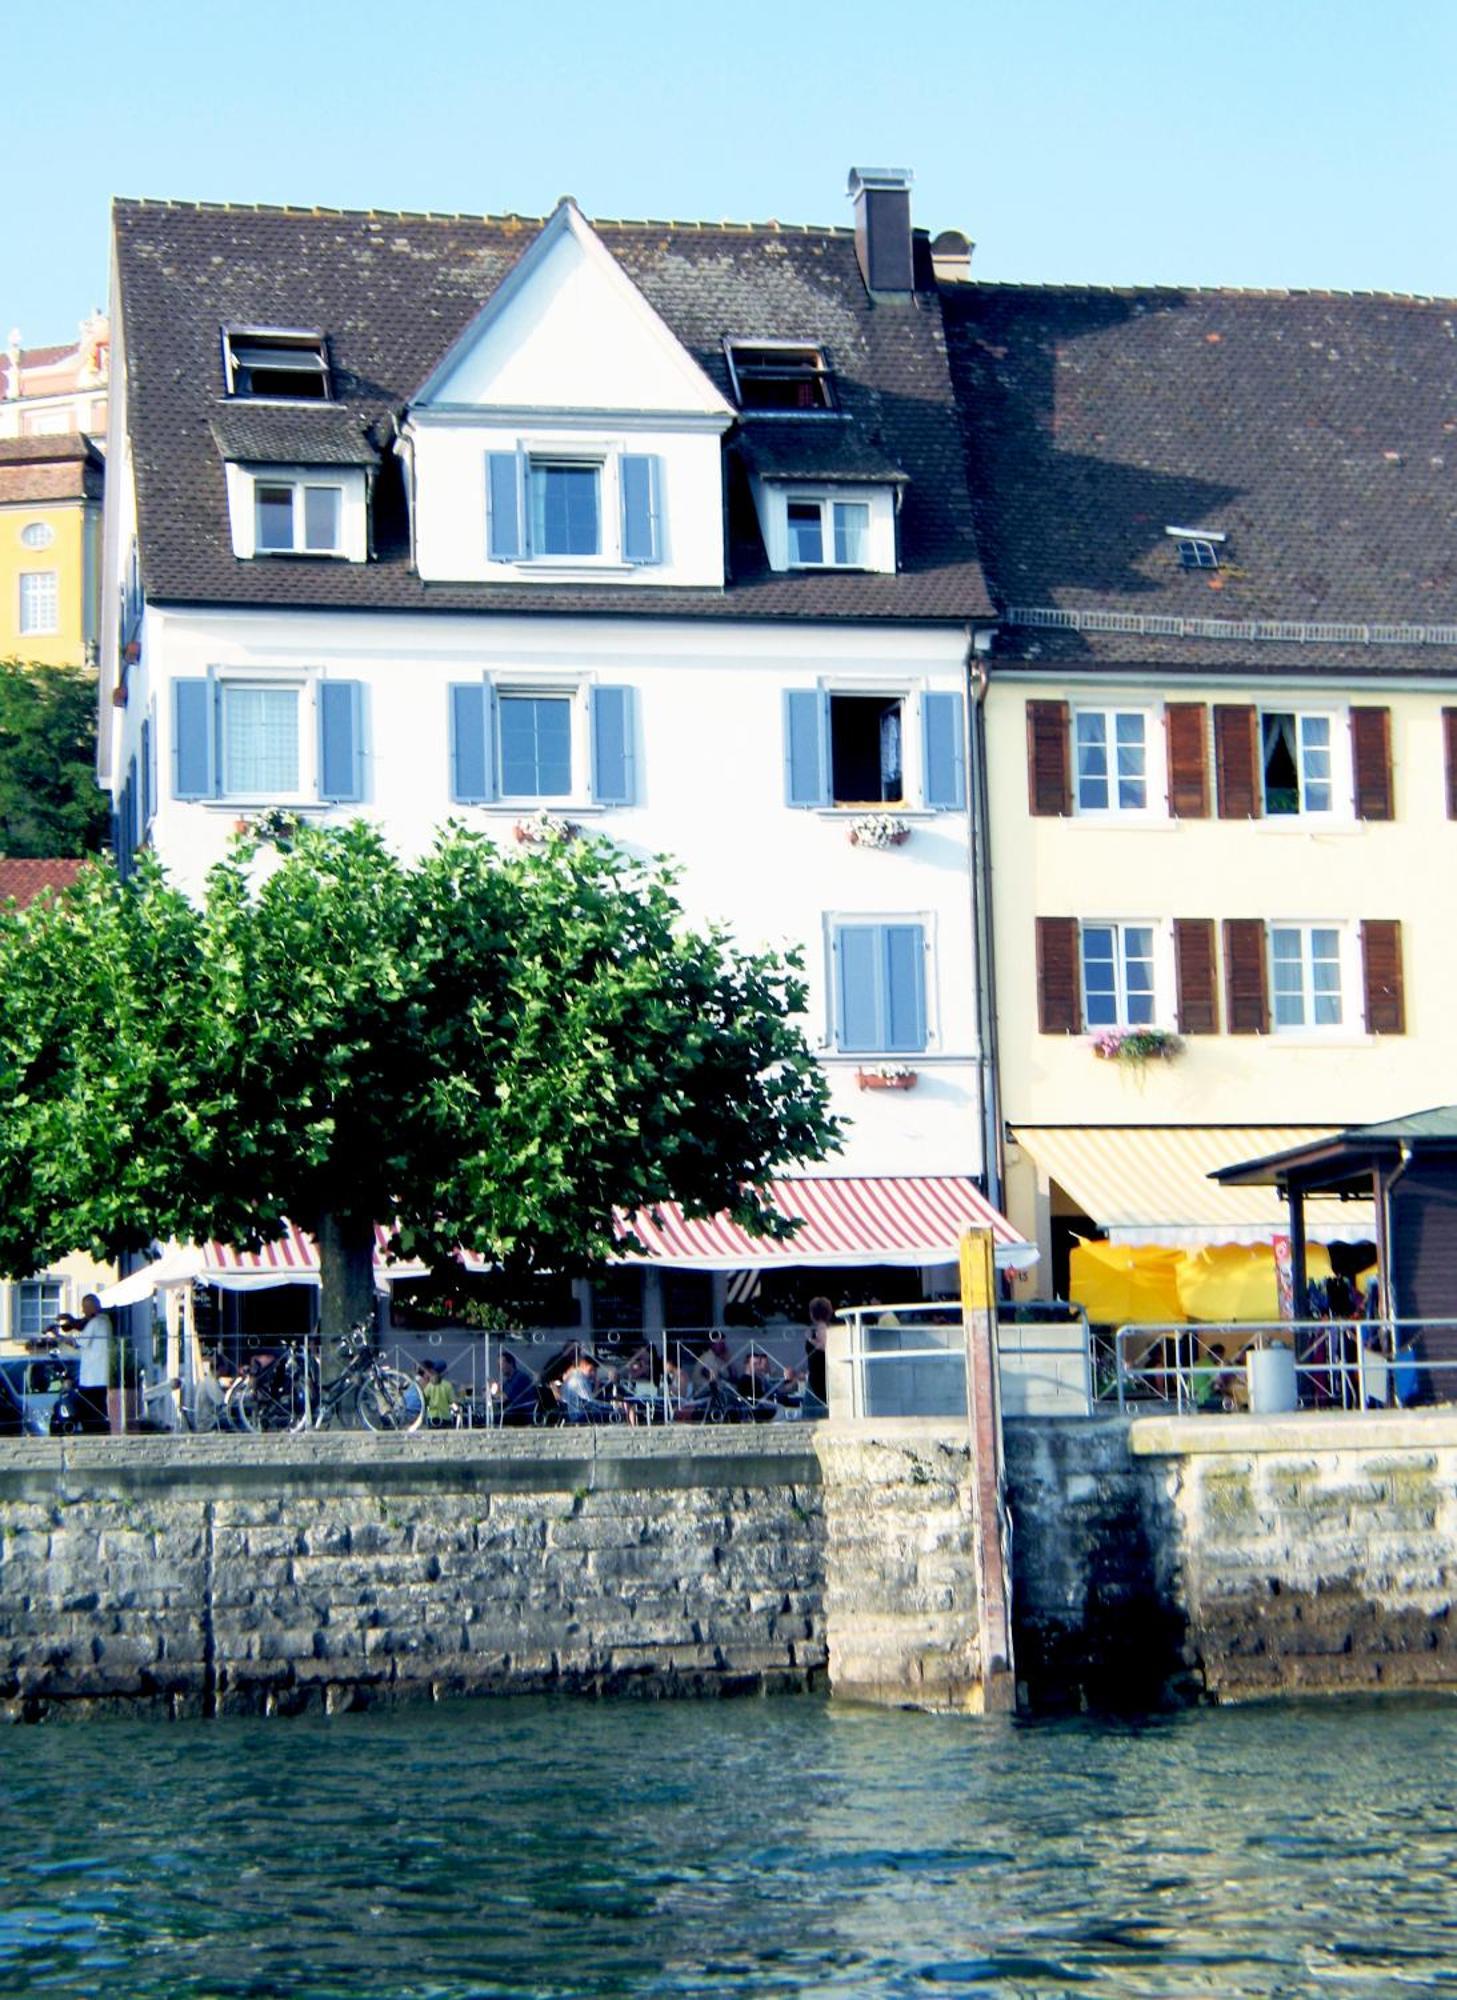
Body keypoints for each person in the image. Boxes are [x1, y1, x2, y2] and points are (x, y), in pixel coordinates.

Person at [52, 1293, 113, 1433]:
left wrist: (58, 1335)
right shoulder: (103, 1321)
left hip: (92, 1378)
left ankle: (95, 1433)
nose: (83, 1312)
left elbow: (76, 1343)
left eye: (85, 1308)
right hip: (98, 1377)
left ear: (92, 1308)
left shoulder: (96, 1322)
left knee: (91, 1412)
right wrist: (71, 1321)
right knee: (98, 1409)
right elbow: (81, 1325)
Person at [803, 1297, 833, 1416]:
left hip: (819, 1374)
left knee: (813, 1410)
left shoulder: (822, 1330)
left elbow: (825, 1347)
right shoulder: (819, 1329)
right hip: (816, 1373)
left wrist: (810, 1340)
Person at [496, 1350, 538, 1426]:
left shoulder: (519, 1378)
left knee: (494, 1417)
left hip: (523, 1412)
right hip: (514, 1411)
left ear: (510, 1363)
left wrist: (495, 1391)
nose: (500, 1368)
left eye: (502, 1364)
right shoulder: (509, 1380)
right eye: (498, 1365)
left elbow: (505, 1397)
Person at [416, 1359, 456, 1427]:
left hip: (431, 1418)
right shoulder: (448, 1385)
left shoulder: (429, 1385)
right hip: (445, 1417)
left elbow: (424, 1400)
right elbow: (452, 1402)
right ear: (444, 1372)